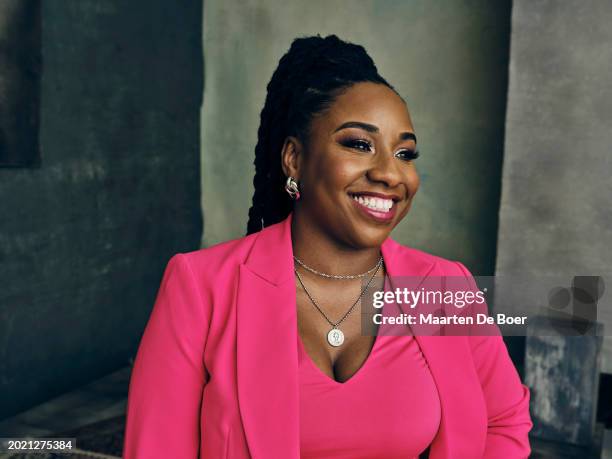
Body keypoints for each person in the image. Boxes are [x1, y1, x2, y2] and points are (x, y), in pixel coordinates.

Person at [122, 34, 532, 459]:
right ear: (295, 159)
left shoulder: (445, 287)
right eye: (358, 144)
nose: (391, 174)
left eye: (405, 153)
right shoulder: (201, 285)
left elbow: (502, 421)